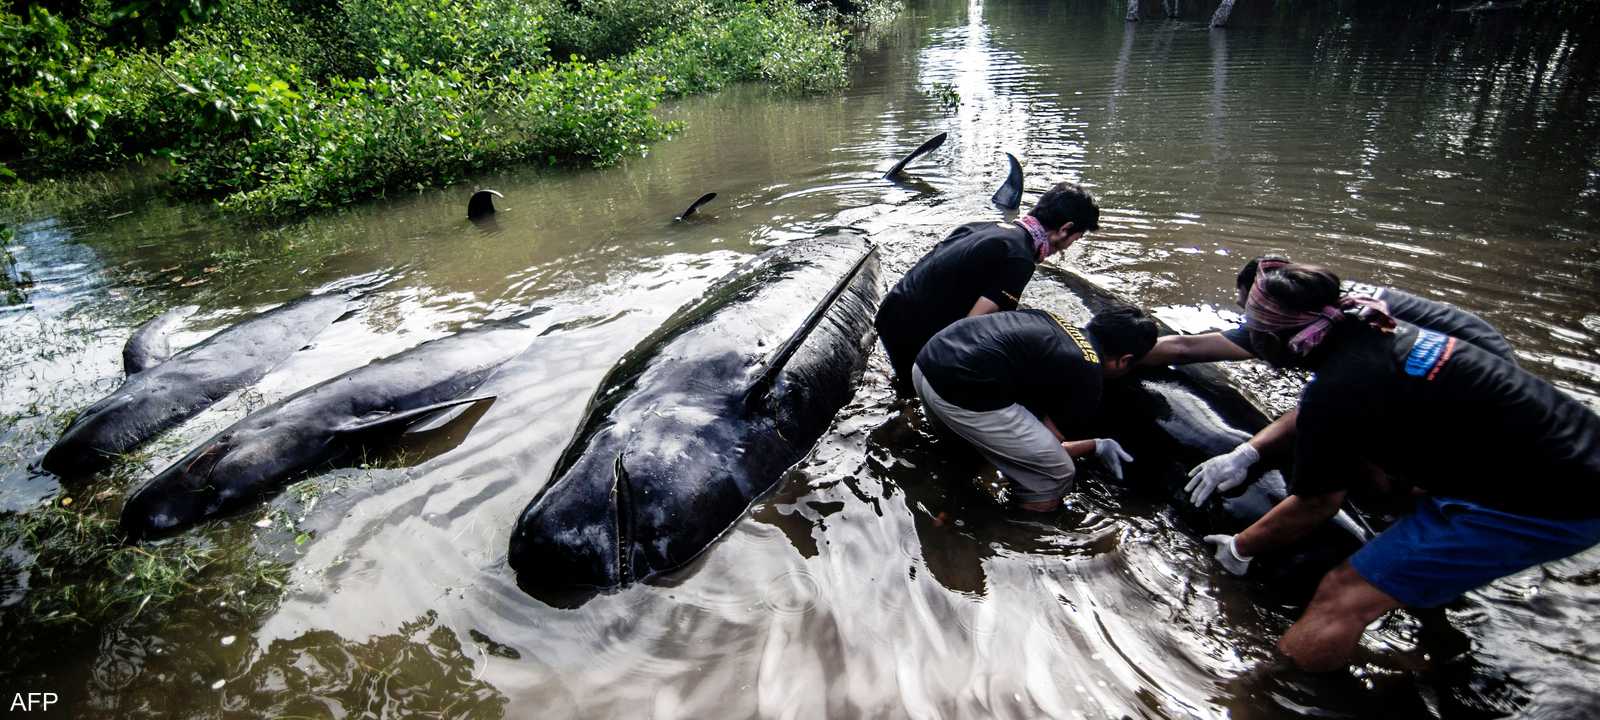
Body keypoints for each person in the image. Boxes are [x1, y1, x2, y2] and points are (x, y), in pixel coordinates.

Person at [1201, 262, 1600, 671]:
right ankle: (1443, 646)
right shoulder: (1372, 324)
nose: (1249, 336)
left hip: (1550, 500)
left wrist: (1239, 548)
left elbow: (1316, 504)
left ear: (1279, 338)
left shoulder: (1340, 388)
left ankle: (1282, 695)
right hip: (1559, 453)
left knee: (1341, 595)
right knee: (1396, 514)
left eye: (1254, 329)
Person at [1139, 255, 1519, 506]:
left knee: (1380, 466)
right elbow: (1186, 348)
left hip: (1465, 390)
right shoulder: (1309, 312)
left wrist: (1247, 452)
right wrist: (1098, 353)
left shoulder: (1349, 342)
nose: (1247, 325)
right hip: (1453, 371)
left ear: (1274, 313)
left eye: (1249, 315)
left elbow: (1325, 406)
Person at [911, 304, 1155, 512]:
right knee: (1056, 472)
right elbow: (1052, 447)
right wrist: (1097, 446)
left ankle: (941, 490)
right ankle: (1012, 534)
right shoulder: (1089, 371)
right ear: (1124, 360)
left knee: (963, 455)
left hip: (926, 364)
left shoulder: (1049, 318)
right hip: (958, 394)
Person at [875, 182, 1101, 388]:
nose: (1069, 245)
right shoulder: (1020, 258)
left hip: (891, 313)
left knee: (906, 382)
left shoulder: (983, 227)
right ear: (1065, 229)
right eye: (1076, 238)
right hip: (911, 331)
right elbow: (972, 327)